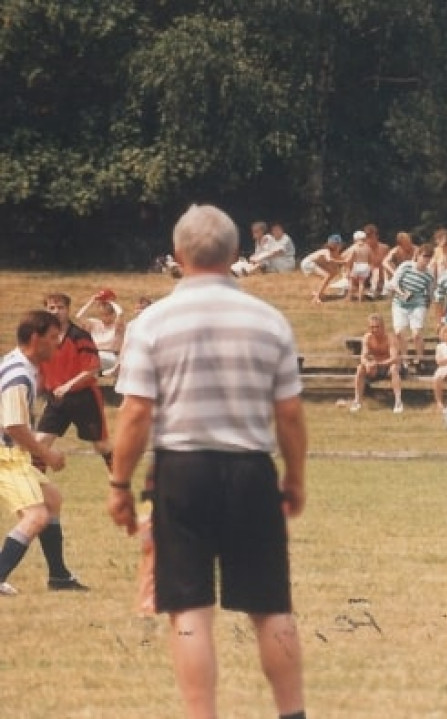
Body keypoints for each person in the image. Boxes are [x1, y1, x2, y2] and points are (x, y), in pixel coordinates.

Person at [106, 203, 307, 718]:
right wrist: (294, 479)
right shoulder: (269, 321)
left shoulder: (152, 323)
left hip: (182, 472)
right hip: (250, 469)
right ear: (236, 253)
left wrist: (119, 485)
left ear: (177, 255)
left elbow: (135, 414)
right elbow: (288, 415)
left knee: (190, 607)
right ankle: (291, 711)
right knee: (271, 605)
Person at [0, 310, 88, 596]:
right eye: (52, 338)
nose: (57, 343)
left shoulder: (18, 363)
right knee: (36, 517)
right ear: (35, 339)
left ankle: (59, 577)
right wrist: (47, 454)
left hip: (12, 454)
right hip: (6, 457)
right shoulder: (18, 375)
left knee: (52, 500)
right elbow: (13, 425)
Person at [37, 292, 114, 475]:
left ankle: (119, 482)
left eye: (60, 307)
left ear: (68, 310)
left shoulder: (79, 336)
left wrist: (68, 385)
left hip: (84, 398)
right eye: (51, 308)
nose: (56, 312)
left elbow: (92, 369)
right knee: (40, 443)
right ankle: (36, 488)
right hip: (57, 400)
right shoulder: (43, 338)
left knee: (101, 445)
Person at [341, 313, 405, 413]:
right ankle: (357, 401)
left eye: (377, 327)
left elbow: (394, 358)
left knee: (394, 369)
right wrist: (367, 364)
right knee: (360, 368)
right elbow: (363, 356)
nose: (374, 329)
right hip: (375, 367)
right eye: (372, 327)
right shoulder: (367, 338)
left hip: (389, 366)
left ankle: (398, 402)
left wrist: (378, 364)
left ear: (383, 327)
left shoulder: (390, 338)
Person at [391, 244, 435, 372]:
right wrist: (402, 293)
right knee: (399, 332)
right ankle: (405, 359)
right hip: (400, 303)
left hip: (418, 304)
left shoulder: (429, 274)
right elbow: (394, 283)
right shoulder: (406, 266)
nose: (426, 260)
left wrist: (426, 305)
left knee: (416, 333)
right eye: (424, 257)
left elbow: (430, 293)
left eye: (429, 258)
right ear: (418, 256)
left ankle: (420, 359)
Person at [75, 288, 125, 373]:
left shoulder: (117, 326)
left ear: (113, 315)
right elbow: (79, 316)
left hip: (111, 357)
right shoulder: (94, 323)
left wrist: (111, 302)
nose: (104, 317)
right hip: (95, 355)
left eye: (108, 315)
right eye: (102, 315)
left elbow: (120, 313)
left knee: (93, 358)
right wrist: (92, 301)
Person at [300, 233, 347, 304]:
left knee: (329, 275)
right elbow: (329, 260)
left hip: (309, 263)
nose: (340, 246)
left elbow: (339, 259)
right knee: (326, 276)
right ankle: (316, 298)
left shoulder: (332, 252)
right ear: (335, 245)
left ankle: (318, 293)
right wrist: (342, 262)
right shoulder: (326, 251)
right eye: (339, 244)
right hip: (308, 263)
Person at [342, 230, 373, 302]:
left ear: (355, 239)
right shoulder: (368, 247)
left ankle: (349, 297)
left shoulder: (354, 247)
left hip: (356, 265)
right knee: (361, 283)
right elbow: (371, 258)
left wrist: (348, 268)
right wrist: (370, 267)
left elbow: (351, 258)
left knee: (351, 281)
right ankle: (360, 298)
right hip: (365, 265)